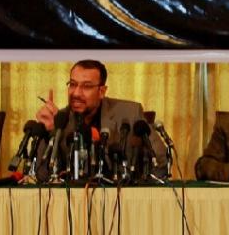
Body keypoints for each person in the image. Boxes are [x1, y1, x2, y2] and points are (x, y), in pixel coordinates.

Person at [35, 59, 167, 180]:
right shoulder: (60, 120)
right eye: (73, 84)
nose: (76, 93)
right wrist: (49, 132)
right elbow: (41, 175)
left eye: (86, 86)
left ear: (101, 91)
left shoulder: (130, 113)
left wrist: (137, 191)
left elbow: (161, 161)